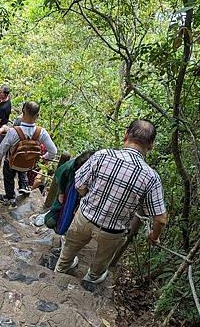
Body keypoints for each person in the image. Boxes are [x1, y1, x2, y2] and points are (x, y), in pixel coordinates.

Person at [55, 119, 167, 284]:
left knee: (68, 250)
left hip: (84, 217)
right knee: (101, 263)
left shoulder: (102, 155)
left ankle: (62, 269)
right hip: (113, 231)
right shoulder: (151, 177)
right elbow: (160, 219)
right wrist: (154, 236)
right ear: (150, 145)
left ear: (126, 135)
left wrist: (88, 196)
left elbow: (79, 184)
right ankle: (91, 278)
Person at [0, 101, 57, 206]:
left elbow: (2, 149)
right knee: (24, 166)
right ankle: (24, 186)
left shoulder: (14, 131)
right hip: (28, 165)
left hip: (12, 164)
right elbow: (53, 151)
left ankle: (9, 196)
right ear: (37, 116)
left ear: (23, 112)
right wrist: (44, 157)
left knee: (8, 177)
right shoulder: (41, 132)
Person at [44, 150, 95, 230]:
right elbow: (59, 175)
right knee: (50, 221)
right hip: (68, 191)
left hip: (79, 198)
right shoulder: (70, 166)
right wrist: (61, 192)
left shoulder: (94, 171)